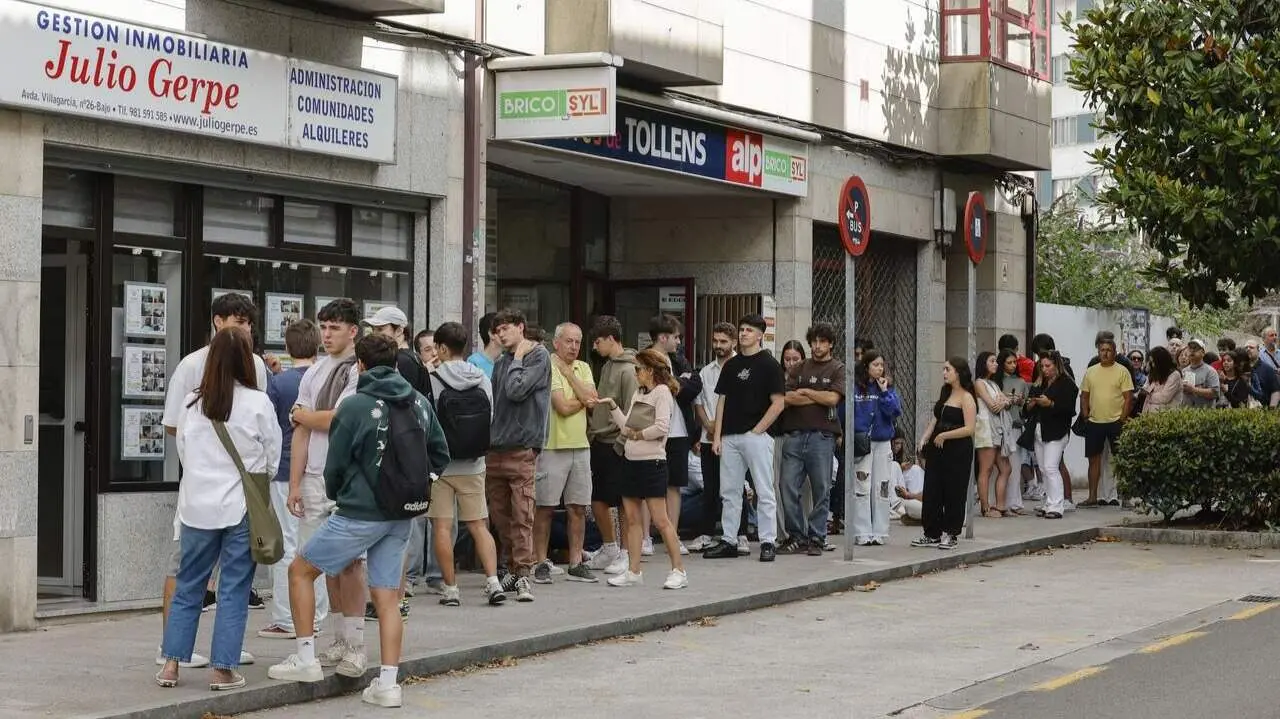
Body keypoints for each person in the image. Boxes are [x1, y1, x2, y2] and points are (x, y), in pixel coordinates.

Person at [268, 334, 450, 707]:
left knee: (300, 571)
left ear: (360, 365)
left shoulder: (353, 405)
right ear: (398, 361)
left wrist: (339, 493)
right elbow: (440, 452)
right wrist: (419, 481)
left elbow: (335, 466)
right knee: (387, 597)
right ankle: (387, 684)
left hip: (358, 512)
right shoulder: (417, 401)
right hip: (402, 513)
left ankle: (305, 658)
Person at [156, 327, 281, 690]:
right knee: (234, 589)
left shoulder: (193, 402)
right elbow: (271, 458)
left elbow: (182, 449)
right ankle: (223, 669)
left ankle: (170, 666)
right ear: (247, 361)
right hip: (240, 507)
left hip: (196, 506)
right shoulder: (258, 403)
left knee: (188, 587)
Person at [287, 299, 364, 673]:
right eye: (324, 326)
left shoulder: (359, 371)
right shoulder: (314, 372)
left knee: (349, 562)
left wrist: (304, 415)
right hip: (314, 478)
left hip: (347, 478)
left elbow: (340, 419)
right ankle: (337, 637)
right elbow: (300, 429)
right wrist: (294, 483)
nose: (327, 334)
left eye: (335, 327)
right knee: (321, 561)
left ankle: (356, 643)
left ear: (353, 330)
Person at [428, 322, 507, 606]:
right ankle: (493, 582)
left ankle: (451, 589)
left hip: (442, 465)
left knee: (442, 527)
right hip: (475, 463)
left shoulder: (433, 378)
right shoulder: (481, 377)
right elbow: (491, 416)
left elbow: (428, 421)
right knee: (478, 525)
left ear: (442, 348)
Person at [363, 305, 436, 611]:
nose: (377, 334)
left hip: (401, 457)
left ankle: (398, 593)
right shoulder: (411, 361)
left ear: (399, 331)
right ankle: (397, 593)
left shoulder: (402, 363)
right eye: (375, 330)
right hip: (411, 457)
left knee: (401, 531)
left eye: (383, 330)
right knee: (402, 529)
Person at [259, 320, 328, 640]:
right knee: (317, 545)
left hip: (285, 469)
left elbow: (268, 429)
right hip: (319, 470)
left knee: (286, 545)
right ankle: (319, 613)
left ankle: (288, 616)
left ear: (287, 348)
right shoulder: (327, 377)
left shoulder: (279, 384)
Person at [598, 349, 688, 589]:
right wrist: (612, 406)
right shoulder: (639, 393)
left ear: (649, 371)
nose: (635, 374)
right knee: (633, 518)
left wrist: (638, 434)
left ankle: (678, 569)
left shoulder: (662, 393)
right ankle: (633, 570)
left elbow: (661, 427)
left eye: (638, 369)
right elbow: (627, 426)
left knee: (661, 519)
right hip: (631, 462)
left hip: (652, 463)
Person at [707, 314, 786, 561]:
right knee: (729, 491)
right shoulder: (731, 364)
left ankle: (768, 541)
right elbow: (721, 401)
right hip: (730, 437)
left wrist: (758, 430)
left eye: (749, 330)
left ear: (760, 335)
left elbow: (779, 403)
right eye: (741, 329)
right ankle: (729, 539)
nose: (743, 334)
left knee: (764, 489)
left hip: (756, 437)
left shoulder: (770, 365)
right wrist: (717, 436)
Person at [487, 308, 552, 602]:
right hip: (496, 448)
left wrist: (516, 359)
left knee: (522, 513)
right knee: (501, 516)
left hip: (523, 447)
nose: (500, 334)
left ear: (520, 327)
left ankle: (524, 574)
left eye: (505, 328)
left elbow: (516, 390)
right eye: (497, 330)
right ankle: (512, 569)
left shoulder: (537, 356)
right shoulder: (501, 362)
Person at [538, 323, 599, 583]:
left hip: (580, 445)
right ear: (556, 342)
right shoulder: (547, 366)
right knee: (545, 507)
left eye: (577, 342)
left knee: (578, 506)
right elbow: (561, 406)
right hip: (552, 445)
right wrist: (582, 399)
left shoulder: (583, 367)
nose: (574, 347)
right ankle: (539, 561)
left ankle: (576, 561)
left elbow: (594, 399)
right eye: (569, 341)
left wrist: (571, 376)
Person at [585, 316, 640, 573]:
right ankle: (610, 547)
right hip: (599, 440)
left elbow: (633, 410)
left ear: (610, 339)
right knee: (598, 500)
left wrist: (621, 442)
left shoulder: (629, 369)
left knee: (622, 502)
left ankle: (627, 553)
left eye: (597, 341)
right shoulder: (607, 366)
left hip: (617, 443)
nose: (595, 347)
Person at [648, 314, 702, 558]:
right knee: (650, 485)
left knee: (674, 484)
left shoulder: (678, 360)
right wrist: (677, 383)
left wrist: (678, 381)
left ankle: (674, 534)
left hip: (679, 430)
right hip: (654, 430)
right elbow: (652, 388)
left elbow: (692, 385)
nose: (679, 342)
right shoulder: (645, 359)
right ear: (663, 337)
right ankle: (646, 537)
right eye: (676, 337)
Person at [913, 358, 976, 550]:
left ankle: (951, 533)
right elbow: (935, 419)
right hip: (937, 449)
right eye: (943, 369)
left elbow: (970, 428)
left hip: (957, 451)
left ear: (958, 372)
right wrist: (925, 437)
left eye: (948, 369)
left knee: (953, 490)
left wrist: (946, 435)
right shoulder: (945, 392)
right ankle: (931, 532)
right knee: (932, 489)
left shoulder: (967, 397)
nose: (944, 373)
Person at [687, 322, 738, 553]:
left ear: (734, 342)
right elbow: (699, 403)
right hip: (708, 438)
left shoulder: (741, 368)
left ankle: (741, 533)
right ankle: (706, 533)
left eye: (723, 342)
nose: (718, 345)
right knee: (710, 487)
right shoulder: (706, 371)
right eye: (715, 341)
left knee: (735, 487)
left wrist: (722, 426)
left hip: (734, 438)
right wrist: (708, 424)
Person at [848, 348, 899, 547]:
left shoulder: (886, 388)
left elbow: (894, 411)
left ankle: (880, 530)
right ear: (866, 366)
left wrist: (885, 391)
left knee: (882, 486)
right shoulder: (857, 388)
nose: (879, 369)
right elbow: (848, 412)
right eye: (875, 365)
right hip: (863, 443)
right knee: (862, 484)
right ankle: (862, 531)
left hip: (882, 442)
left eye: (881, 365)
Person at [1078, 336, 1133, 507]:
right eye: (1102, 350)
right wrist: (1086, 415)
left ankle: (1125, 498)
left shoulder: (1122, 371)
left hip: (1116, 421)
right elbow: (1084, 395)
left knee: (1121, 460)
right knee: (1093, 460)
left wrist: (1122, 418)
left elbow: (1128, 397)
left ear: (1115, 352)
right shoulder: (1091, 371)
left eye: (1109, 350)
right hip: (1095, 422)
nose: (1105, 353)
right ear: (1098, 352)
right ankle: (1092, 496)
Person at [1025, 351, 1078, 519]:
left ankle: (1057, 505)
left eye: (1048, 366)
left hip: (1057, 430)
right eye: (1042, 366)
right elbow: (1027, 407)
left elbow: (1069, 410)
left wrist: (1051, 404)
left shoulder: (1067, 384)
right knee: (1042, 468)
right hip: (1039, 428)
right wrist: (1031, 403)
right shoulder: (1041, 382)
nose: (1045, 369)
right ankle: (1048, 502)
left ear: (1057, 365)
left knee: (1050, 467)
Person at [973, 351, 1014, 518]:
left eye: (996, 361)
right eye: (992, 361)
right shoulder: (979, 383)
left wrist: (1005, 401)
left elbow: (1007, 403)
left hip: (998, 430)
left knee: (1006, 468)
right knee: (986, 468)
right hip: (986, 429)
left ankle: (1000, 505)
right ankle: (985, 507)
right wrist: (1004, 401)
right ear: (984, 363)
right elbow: (993, 406)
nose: (996, 364)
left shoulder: (994, 384)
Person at [1141, 346, 1183, 414]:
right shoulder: (1154, 373)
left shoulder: (1174, 375)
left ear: (1161, 362)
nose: (1153, 365)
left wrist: (1149, 395)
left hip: (1164, 416)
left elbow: (1164, 398)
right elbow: (1146, 388)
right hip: (1148, 414)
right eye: (1151, 362)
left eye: (1154, 362)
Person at [1181, 339, 1221, 409]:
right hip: (1186, 414)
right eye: (1190, 349)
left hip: (1204, 414)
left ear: (1203, 352)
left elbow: (1215, 393)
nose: (1192, 351)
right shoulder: (1184, 371)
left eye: (1195, 348)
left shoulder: (1210, 371)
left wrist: (1193, 389)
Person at [467, 311, 502, 379]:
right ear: (491, 334)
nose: (506, 334)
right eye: (502, 330)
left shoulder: (507, 360)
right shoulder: (473, 362)